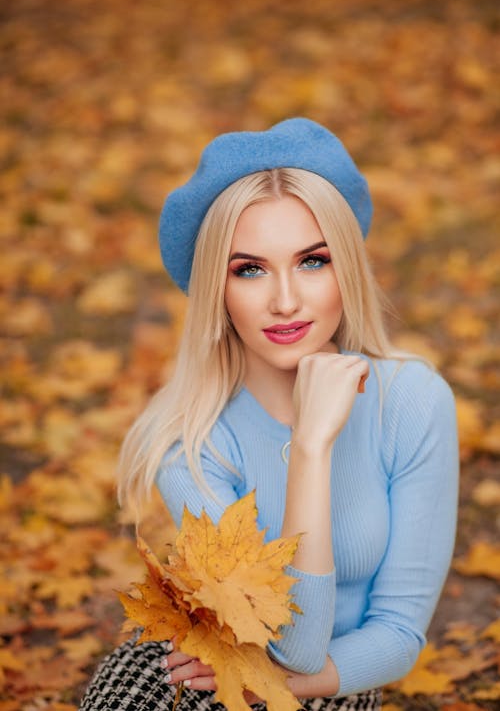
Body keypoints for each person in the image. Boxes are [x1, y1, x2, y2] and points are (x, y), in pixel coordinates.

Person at [79, 118, 459, 711]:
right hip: (200, 670)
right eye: (249, 269)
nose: (285, 299)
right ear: (217, 290)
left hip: (337, 682)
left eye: (312, 261)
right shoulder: (188, 435)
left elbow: (386, 637)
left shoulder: (412, 401)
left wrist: (313, 443)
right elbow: (288, 640)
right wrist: (310, 446)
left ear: (347, 271)